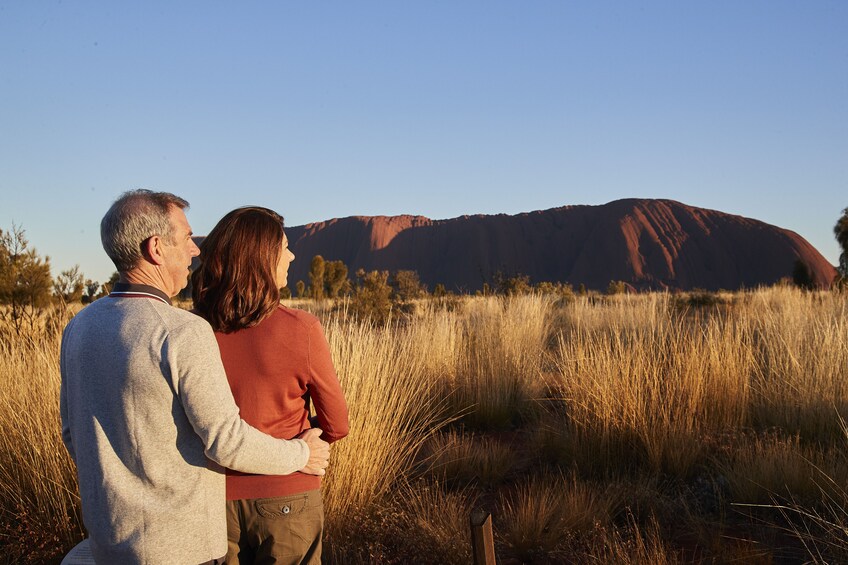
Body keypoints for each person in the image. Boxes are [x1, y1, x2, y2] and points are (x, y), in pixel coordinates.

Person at [60, 190, 331, 565]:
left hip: (110, 543)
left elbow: (73, 433)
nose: (195, 250)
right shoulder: (181, 331)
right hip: (183, 546)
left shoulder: (78, 328)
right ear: (156, 248)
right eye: (186, 237)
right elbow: (226, 441)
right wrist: (301, 452)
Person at [191, 206, 349, 565]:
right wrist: (307, 447)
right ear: (260, 258)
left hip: (210, 500)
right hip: (288, 495)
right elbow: (337, 424)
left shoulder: (190, 331)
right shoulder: (301, 329)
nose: (292, 256)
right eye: (284, 247)